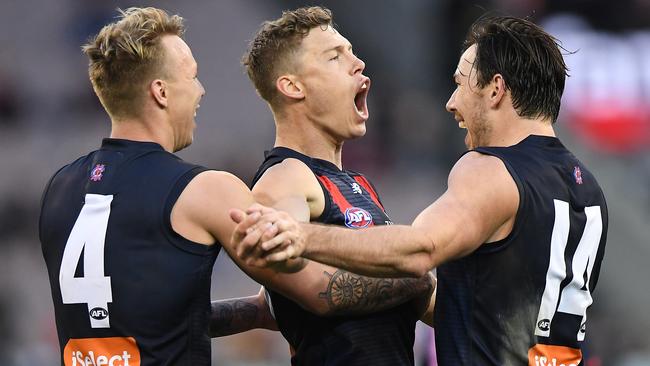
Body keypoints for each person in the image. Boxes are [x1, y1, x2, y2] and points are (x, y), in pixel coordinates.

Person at [39, 6, 432, 366]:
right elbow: (317, 291)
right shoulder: (204, 190)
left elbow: (143, 309)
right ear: (160, 92)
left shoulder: (59, 189)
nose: (201, 91)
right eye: (192, 77)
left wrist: (261, 310)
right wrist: (415, 275)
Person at [233, 15, 608, 366]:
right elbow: (304, 290)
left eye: (459, 84)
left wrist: (301, 237)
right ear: (292, 85)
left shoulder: (489, 169)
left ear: (496, 90)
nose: (450, 103)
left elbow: (422, 252)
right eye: (335, 56)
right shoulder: (586, 187)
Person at [209, 7, 434, 366]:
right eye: (334, 56)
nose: (358, 63)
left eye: (352, 51)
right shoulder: (287, 176)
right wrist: (416, 275)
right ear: (293, 86)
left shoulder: (357, 184)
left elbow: (277, 300)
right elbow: (313, 289)